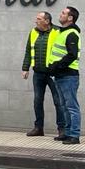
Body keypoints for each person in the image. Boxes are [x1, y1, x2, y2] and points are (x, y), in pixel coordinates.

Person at [20, 10, 62, 138]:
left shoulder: (58, 32)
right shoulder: (33, 32)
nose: (36, 21)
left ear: (47, 21)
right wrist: (25, 68)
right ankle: (38, 128)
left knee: (58, 101)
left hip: (53, 74)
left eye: (39, 19)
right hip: (38, 73)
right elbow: (28, 50)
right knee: (37, 101)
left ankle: (62, 129)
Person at [47, 5, 83, 144]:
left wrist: (57, 66)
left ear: (70, 18)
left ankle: (74, 135)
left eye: (63, 13)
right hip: (61, 75)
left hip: (68, 76)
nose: (60, 15)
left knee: (71, 107)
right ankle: (67, 133)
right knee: (64, 106)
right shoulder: (63, 32)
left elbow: (72, 55)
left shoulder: (71, 33)